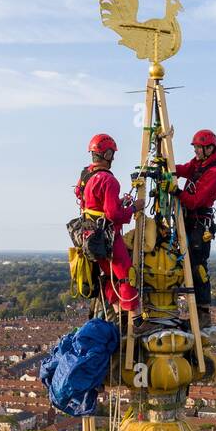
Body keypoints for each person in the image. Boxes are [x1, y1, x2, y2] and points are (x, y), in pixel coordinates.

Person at [76, 133, 142, 319]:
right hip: (107, 236)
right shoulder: (109, 180)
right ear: (107, 154)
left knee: (108, 274)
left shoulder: (86, 176)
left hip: (90, 236)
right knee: (126, 274)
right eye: (111, 154)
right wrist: (133, 209)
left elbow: (95, 205)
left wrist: (120, 202)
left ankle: (118, 313)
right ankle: (136, 321)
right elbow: (112, 215)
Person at [173, 128, 216, 328]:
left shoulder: (214, 172)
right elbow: (185, 169)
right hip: (189, 221)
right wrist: (168, 170)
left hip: (199, 223)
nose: (195, 152)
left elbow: (194, 201)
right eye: (194, 148)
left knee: (198, 267)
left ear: (209, 148)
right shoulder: (200, 164)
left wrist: (175, 190)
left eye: (198, 148)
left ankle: (203, 313)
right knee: (181, 261)